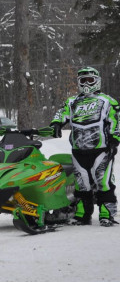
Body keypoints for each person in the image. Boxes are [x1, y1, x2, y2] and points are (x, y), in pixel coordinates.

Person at [49, 67, 120, 226]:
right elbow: (61, 114)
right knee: (82, 185)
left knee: (104, 182)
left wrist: (115, 138)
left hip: (102, 149)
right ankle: (82, 215)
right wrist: (56, 124)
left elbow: (116, 120)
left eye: (90, 80)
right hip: (78, 150)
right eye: (83, 80)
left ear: (97, 81)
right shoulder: (72, 101)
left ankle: (106, 214)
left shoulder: (107, 100)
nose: (87, 83)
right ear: (78, 83)